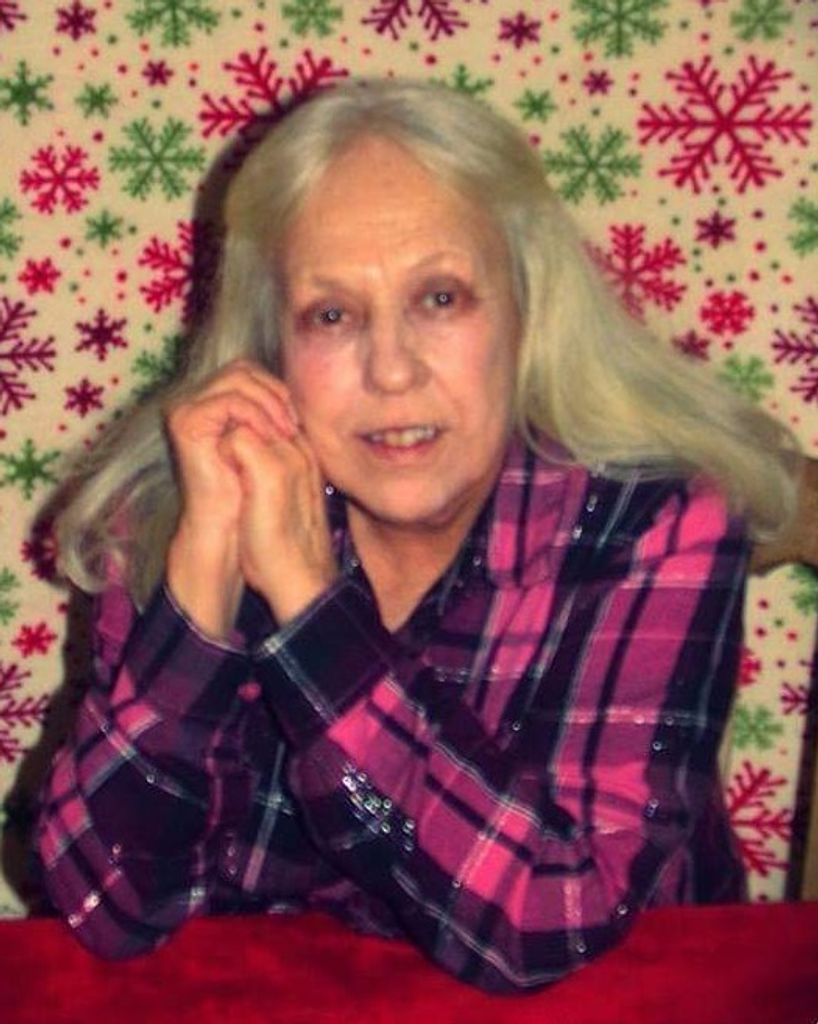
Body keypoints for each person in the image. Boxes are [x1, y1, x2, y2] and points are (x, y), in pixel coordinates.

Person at [36, 79, 804, 993]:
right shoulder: (187, 508)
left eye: (440, 298)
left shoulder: (657, 518)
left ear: (528, 309)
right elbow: (110, 910)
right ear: (271, 347)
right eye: (332, 315)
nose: (391, 371)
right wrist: (199, 585)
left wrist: (312, 615)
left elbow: (550, 921)